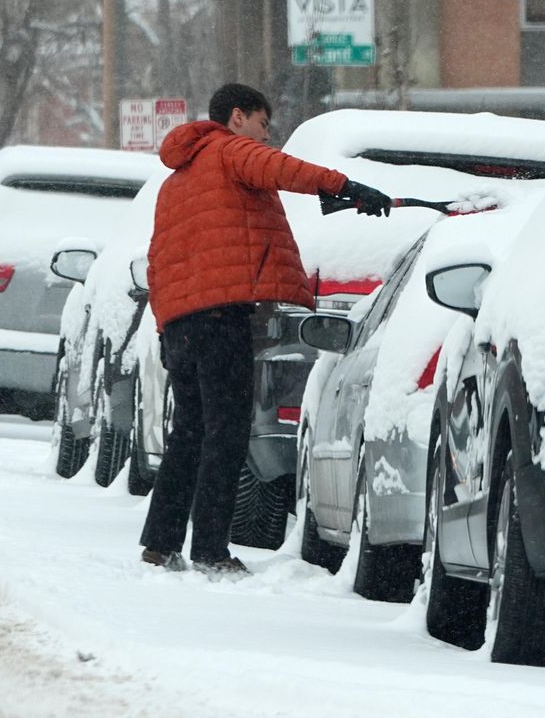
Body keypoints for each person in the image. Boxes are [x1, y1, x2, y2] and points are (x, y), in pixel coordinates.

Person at [140, 83, 391, 576]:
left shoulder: (176, 182)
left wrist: (164, 325)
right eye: (262, 124)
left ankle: (161, 542)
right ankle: (211, 549)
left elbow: (158, 260)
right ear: (237, 117)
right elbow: (283, 170)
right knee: (228, 433)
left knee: (188, 433)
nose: (265, 136)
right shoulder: (231, 151)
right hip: (220, 317)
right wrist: (345, 186)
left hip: (180, 324)